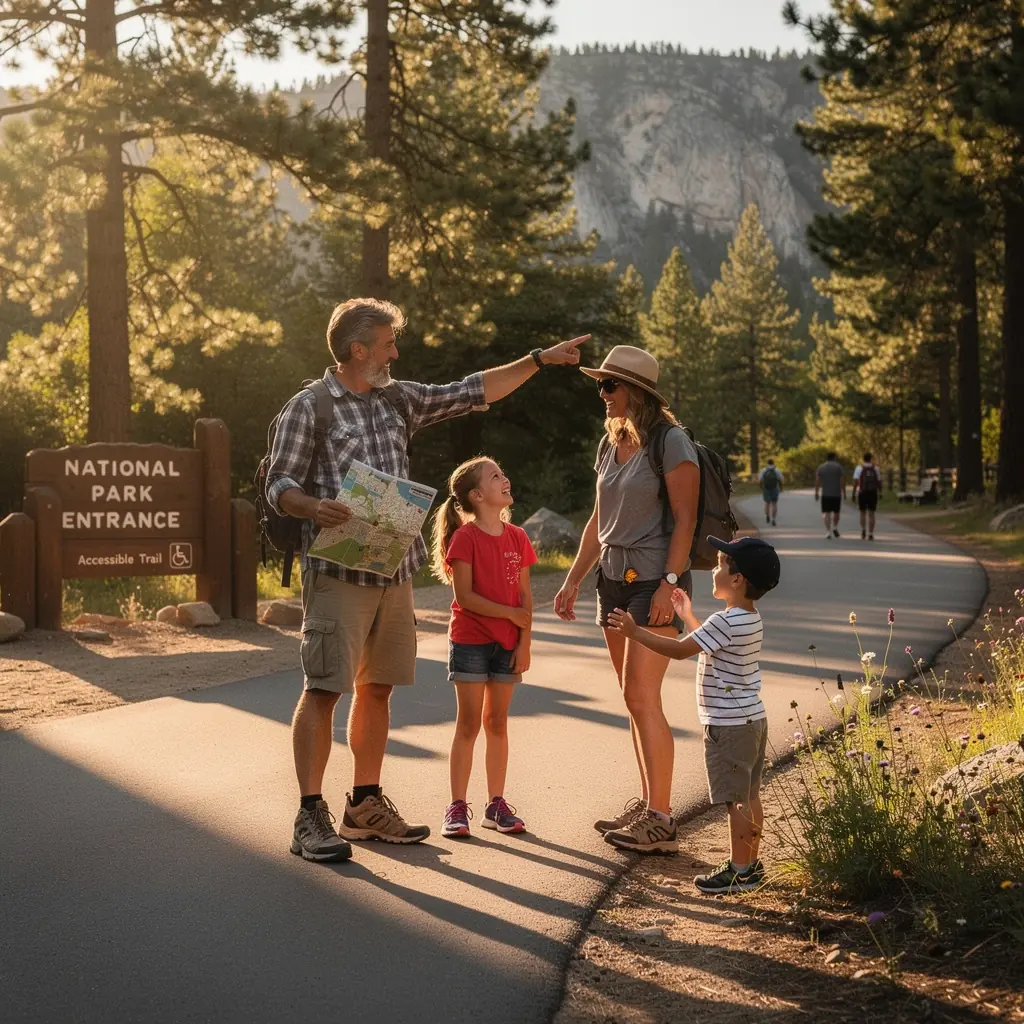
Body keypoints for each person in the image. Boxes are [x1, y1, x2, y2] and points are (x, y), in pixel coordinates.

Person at [267, 296, 588, 862]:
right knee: (324, 688)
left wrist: (538, 359)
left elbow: (472, 390)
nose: (397, 351)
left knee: (378, 687)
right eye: (388, 343)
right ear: (357, 350)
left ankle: (364, 805)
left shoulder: (397, 399)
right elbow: (278, 485)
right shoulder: (309, 407)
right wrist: (312, 507)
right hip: (337, 571)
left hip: (394, 571)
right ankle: (308, 816)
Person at [554, 345, 700, 855]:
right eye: (601, 385)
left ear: (634, 392)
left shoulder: (671, 442)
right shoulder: (610, 441)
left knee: (642, 695)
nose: (602, 394)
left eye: (609, 386)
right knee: (631, 698)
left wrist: (670, 582)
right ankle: (647, 803)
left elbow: (685, 519)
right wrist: (574, 578)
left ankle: (660, 820)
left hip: (652, 581)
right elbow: (599, 520)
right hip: (612, 579)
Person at [607, 536, 780, 894]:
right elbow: (711, 640)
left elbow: (682, 649)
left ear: (737, 580)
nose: (714, 570)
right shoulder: (748, 619)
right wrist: (687, 615)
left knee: (735, 801)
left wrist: (636, 632)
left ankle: (740, 871)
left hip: (729, 725)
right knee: (749, 796)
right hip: (752, 720)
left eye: (720, 565)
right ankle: (750, 864)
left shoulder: (725, 621)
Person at [430, 457, 536, 839]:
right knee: (470, 723)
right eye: (495, 476)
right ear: (477, 495)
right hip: (470, 640)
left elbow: (527, 598)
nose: (505, 478)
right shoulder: (465, 538)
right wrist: (511, 614)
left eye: (503, 473)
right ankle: (456, 807)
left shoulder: (519, 538)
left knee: (497, 723)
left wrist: (524, 643)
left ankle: (496, 804)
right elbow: (466, 597)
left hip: (508, 645)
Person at [814, 451, 846, 540]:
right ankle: (835, 527)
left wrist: (816, 492)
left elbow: (817, 481)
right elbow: (842, 481)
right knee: (836, 513)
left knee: (826, 513)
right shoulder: (839, 467)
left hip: (826, 494)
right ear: (834, 458)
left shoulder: (821, 467)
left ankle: (828, 531)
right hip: (836, 494)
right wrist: (844, 492)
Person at [852, 452, 882, 541]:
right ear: (871, 459)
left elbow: (856, 482)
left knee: (862, 513)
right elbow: (879, 482)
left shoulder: (859, 468)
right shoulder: (876, 468)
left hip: (862, 493)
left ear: (863, 459)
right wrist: (880, 492)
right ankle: (871, 533)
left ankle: (863, 530)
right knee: (872, 514)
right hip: (873, 492)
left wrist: (854, 494)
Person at [758, 459, 783, 526]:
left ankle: (767, 516)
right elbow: (781, 479)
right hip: (775, 488)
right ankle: (773, 519)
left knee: (767, 503)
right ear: (773, 463)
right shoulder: (777, 470)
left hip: (766, 489)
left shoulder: (764, 470)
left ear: (767, 463)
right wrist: (781, 488)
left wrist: (761, 488)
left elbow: (760, 480)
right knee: (774, 504)